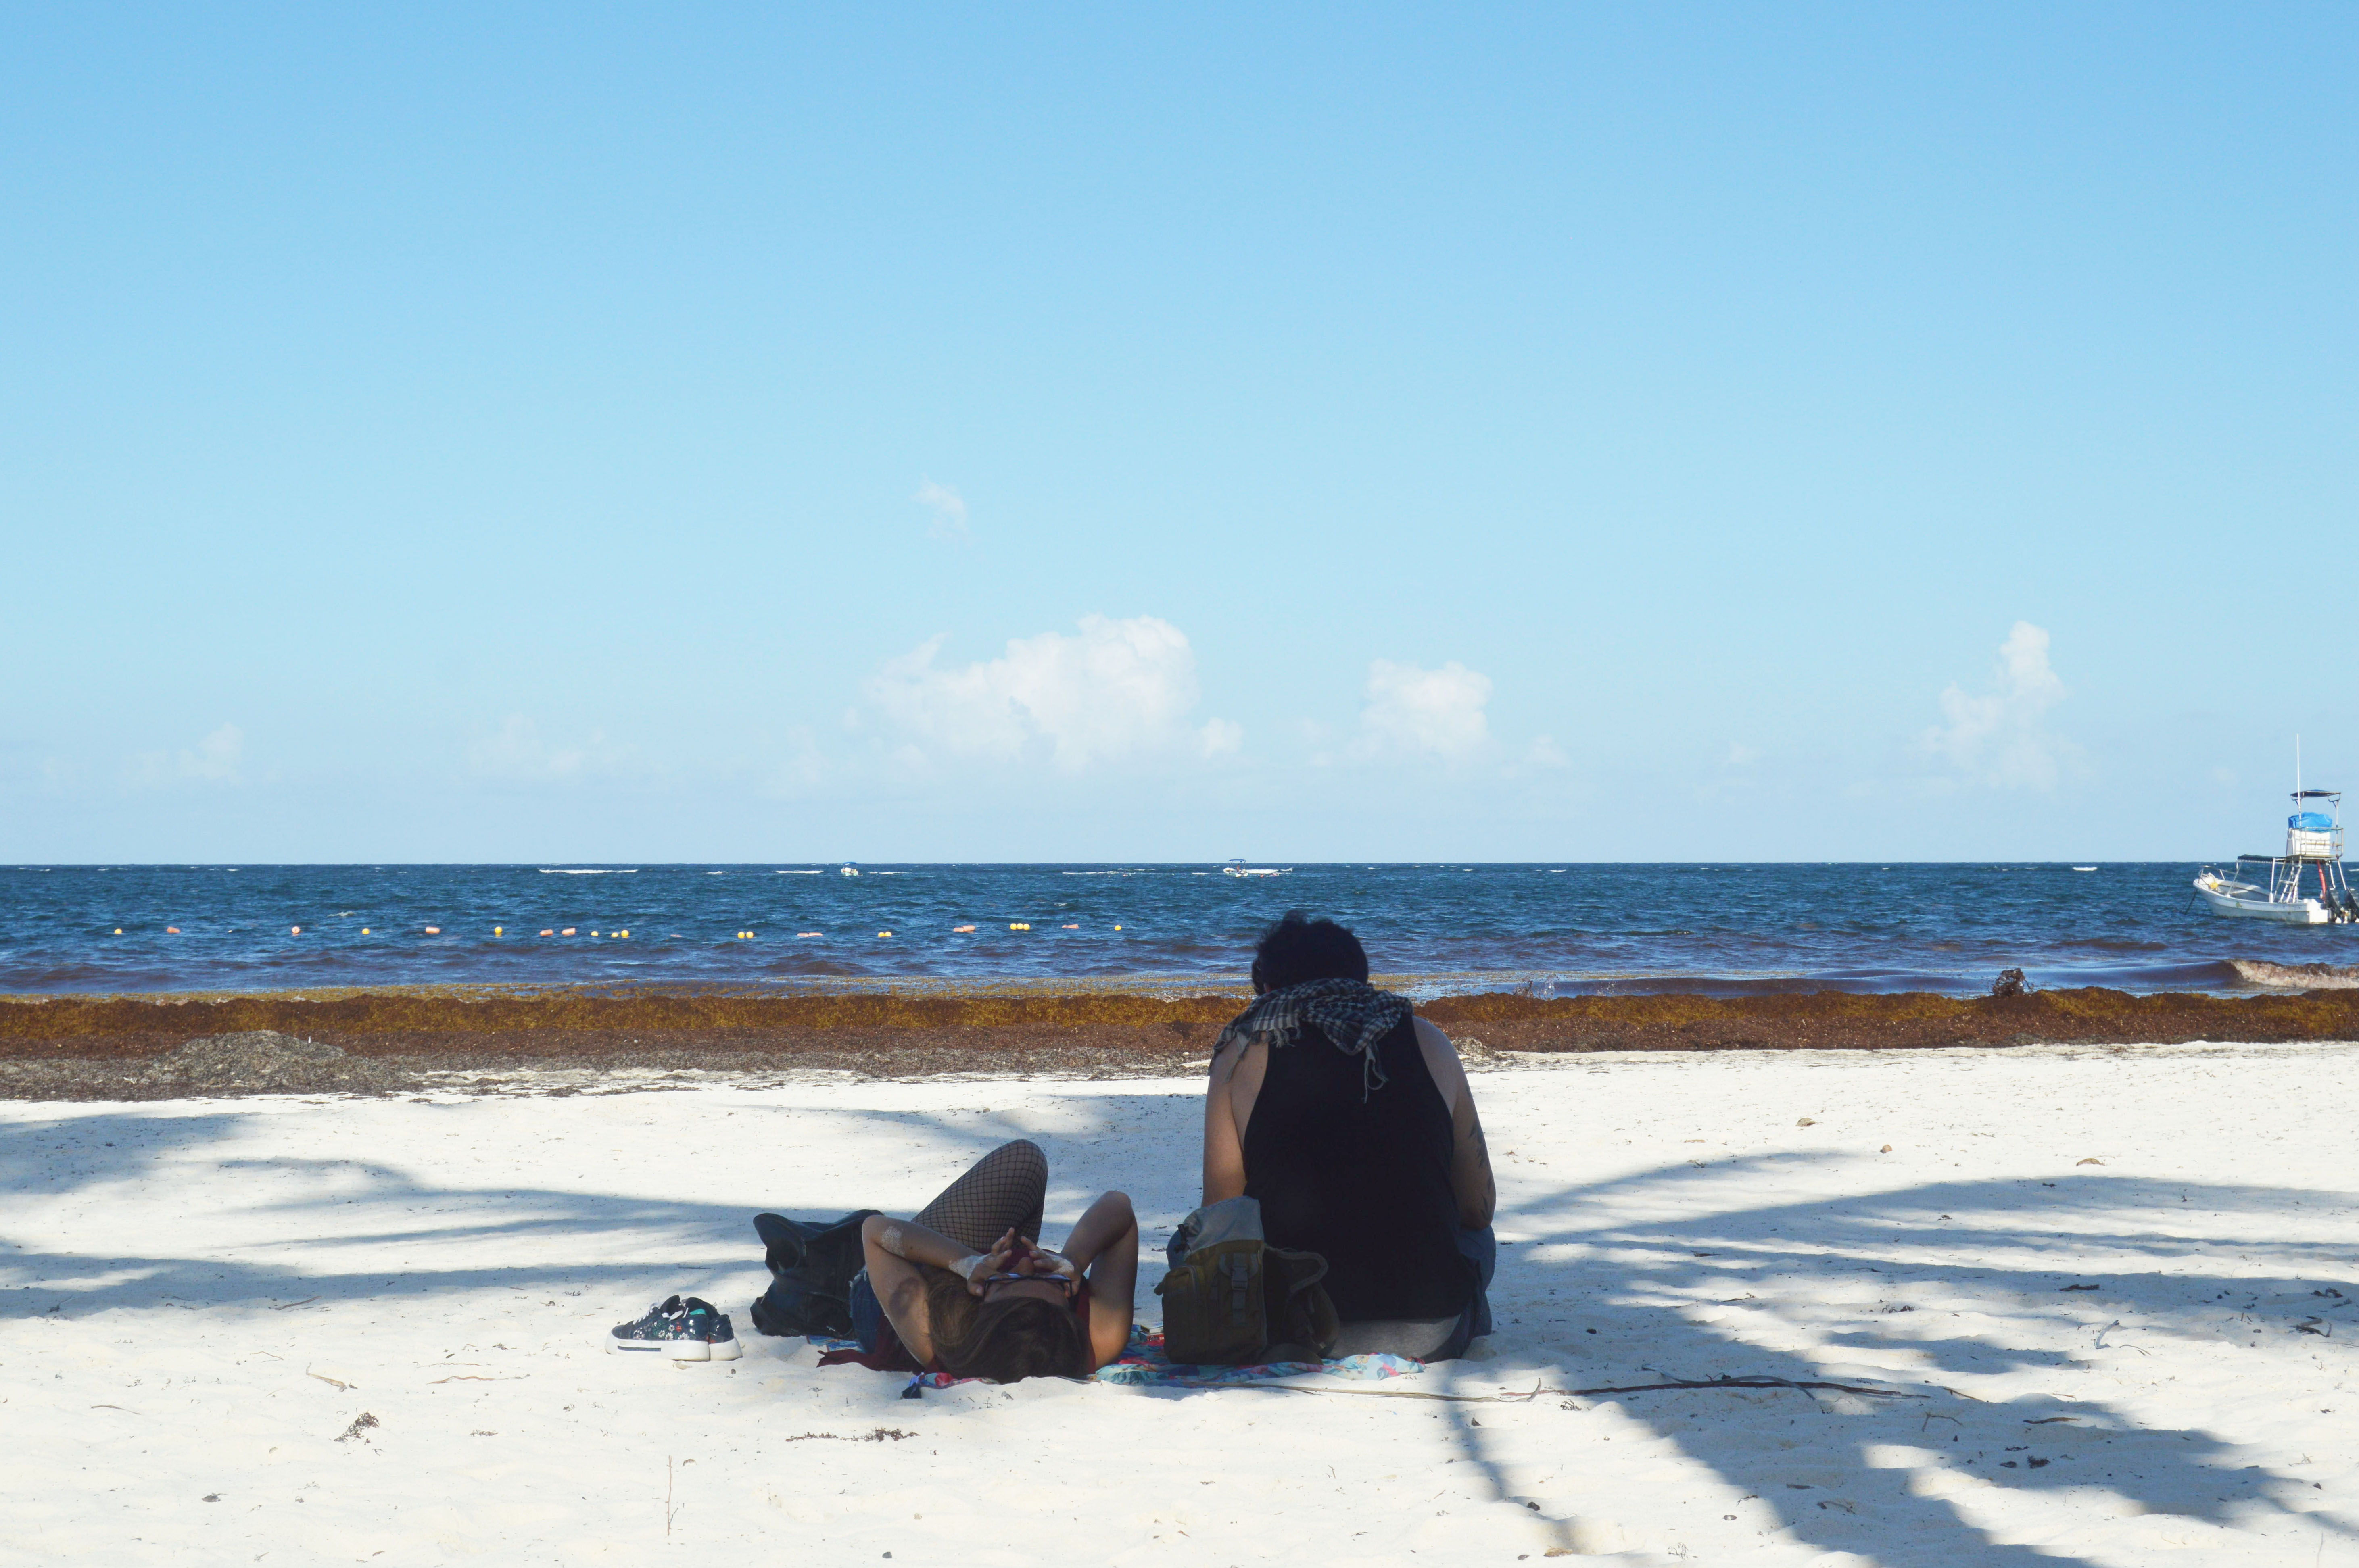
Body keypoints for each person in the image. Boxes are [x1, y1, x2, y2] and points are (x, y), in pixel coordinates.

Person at [1200, 911, 1496, 1360]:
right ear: (1361, 977)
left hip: (1295, 1330)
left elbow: (1224, 1217)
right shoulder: (1429, 1041)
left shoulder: (1241, 1054)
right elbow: (1478, 1208)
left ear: (1267, 989)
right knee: (1478, 1240)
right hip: (1431, 1331)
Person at [845, 1139, 1138, 1381]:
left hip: (882, 1290)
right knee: (1025, 1167)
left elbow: (875, 1232)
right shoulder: (1100, 1337)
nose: (1026, 1263)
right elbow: (1119, 1207)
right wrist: (1073, 1260)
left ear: (981, 1309)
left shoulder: (939, 1334)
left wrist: (966, 1263)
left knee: (1023, 1160)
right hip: (976, 1284)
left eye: (1010, 1278)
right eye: (1047, 1278)